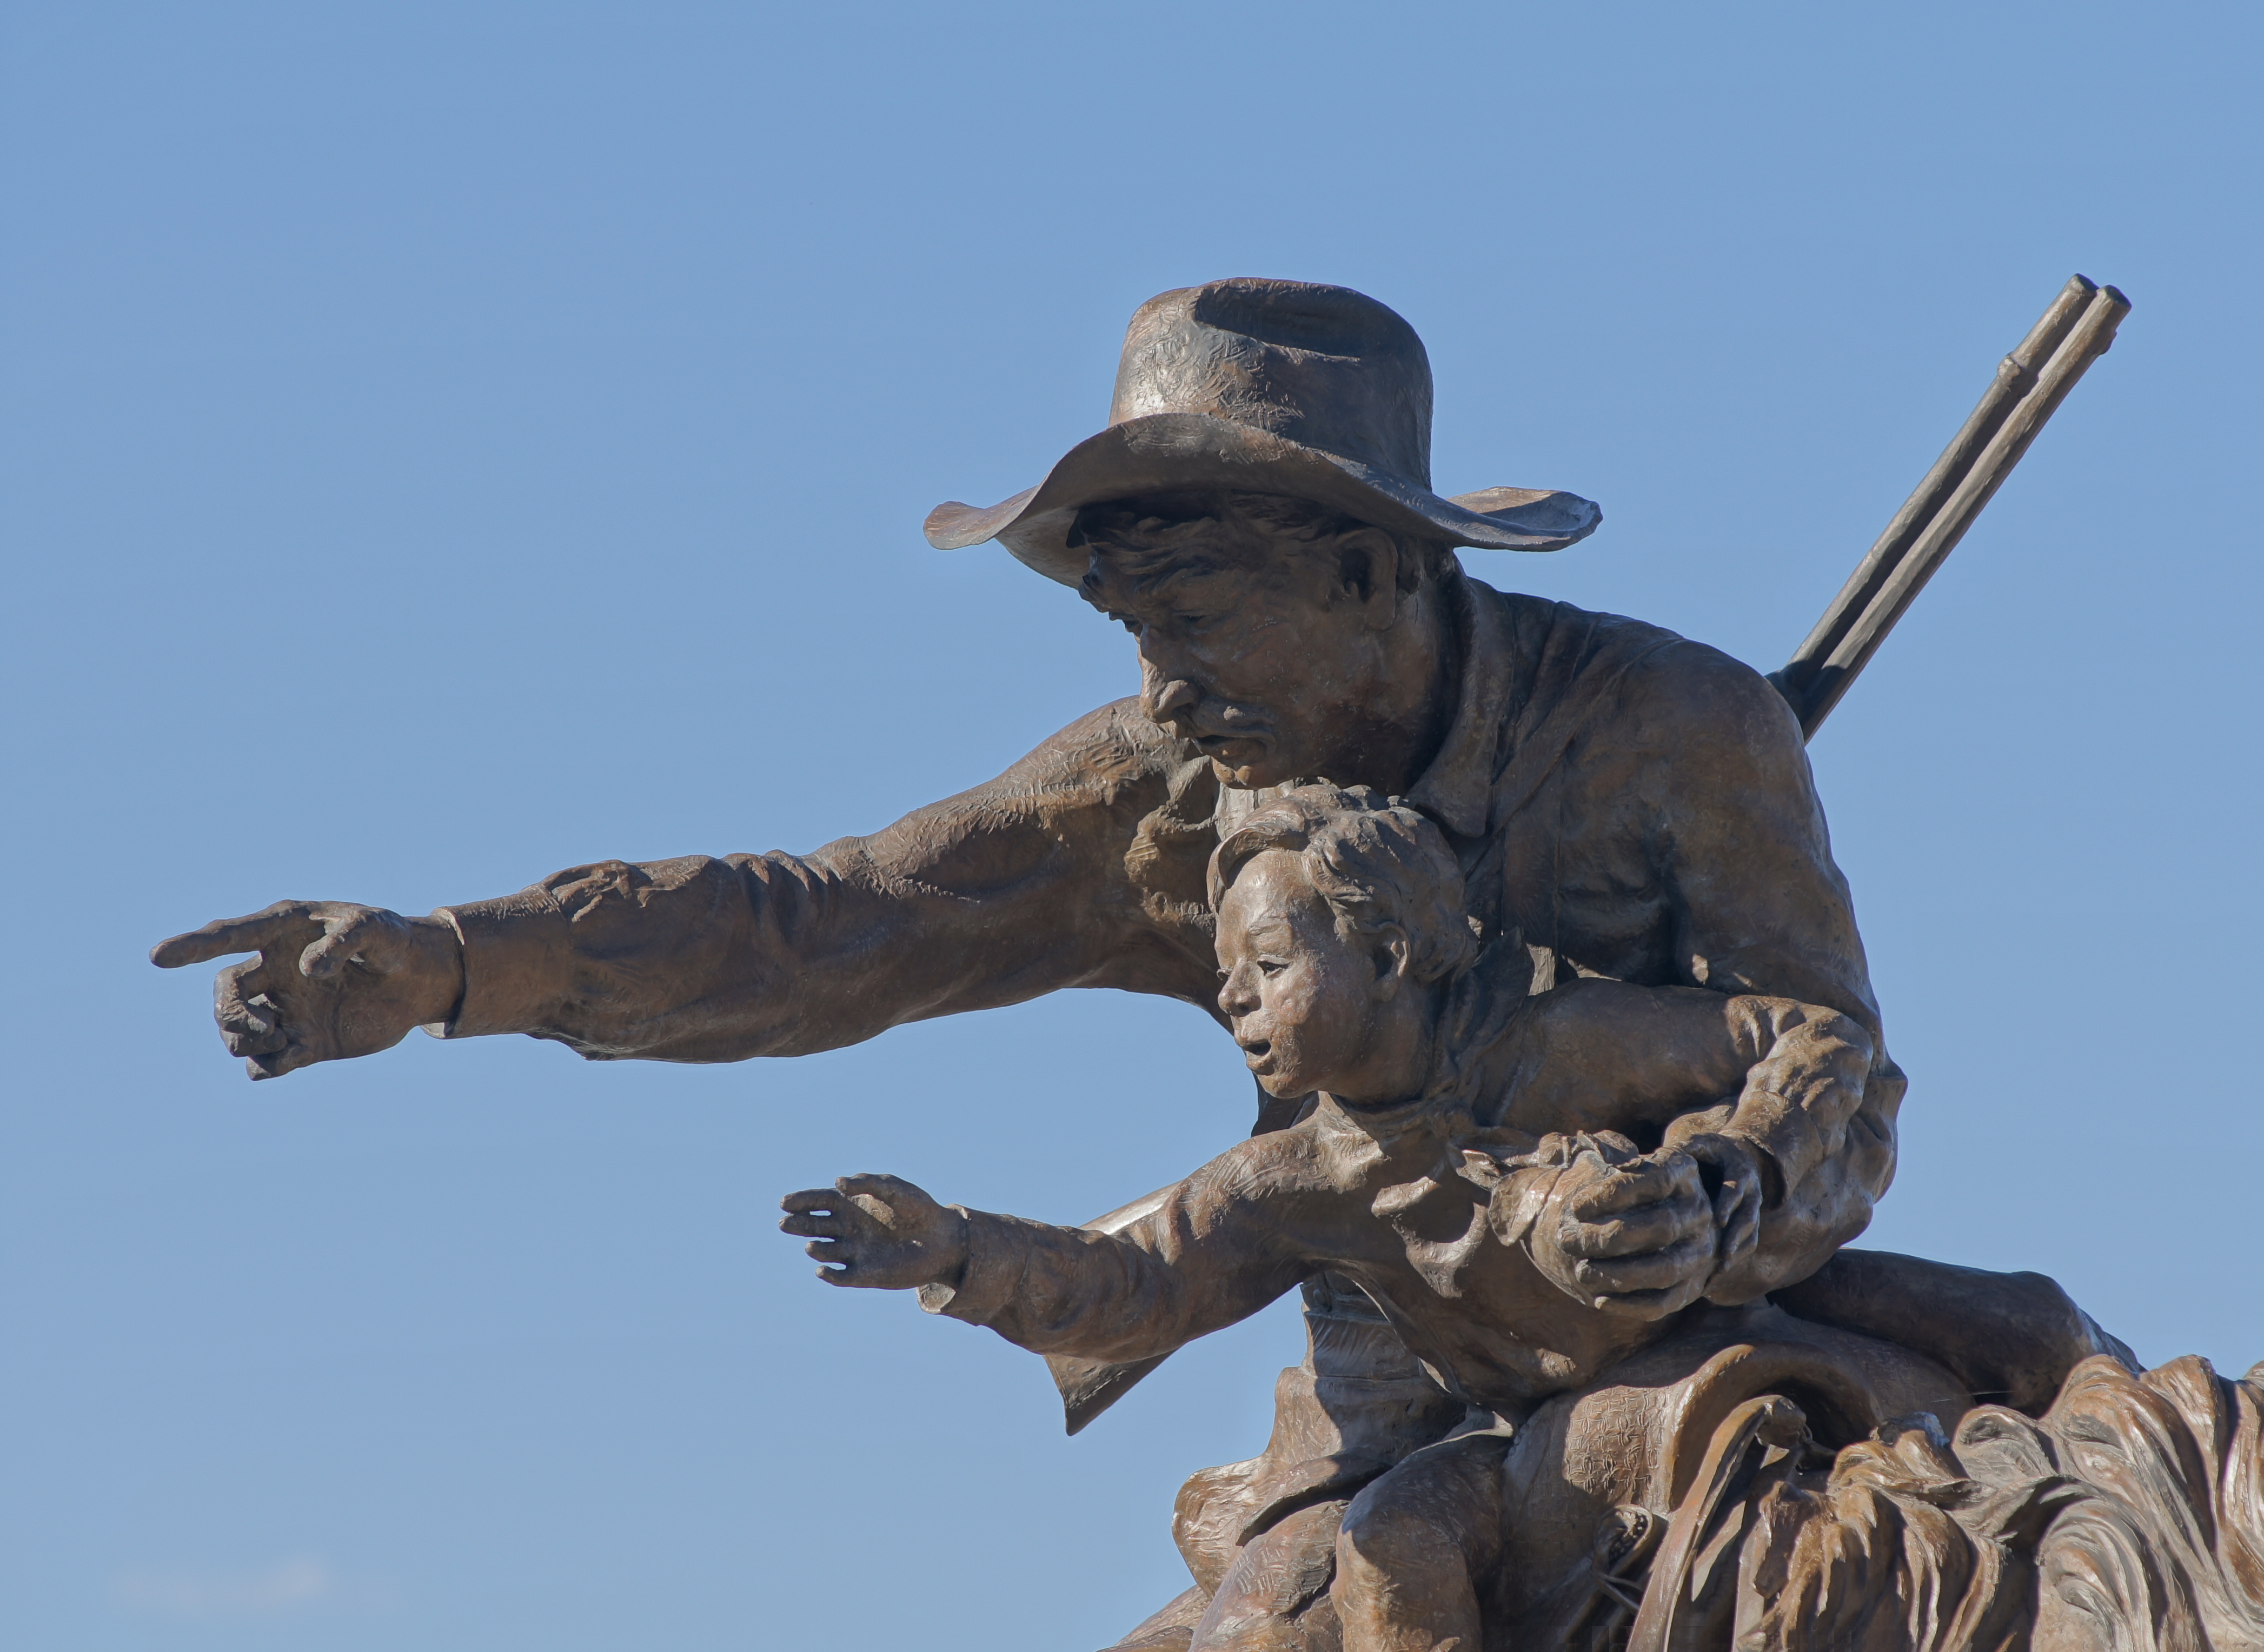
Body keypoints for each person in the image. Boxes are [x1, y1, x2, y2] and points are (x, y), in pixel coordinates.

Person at [152, 277, 1916, 1645]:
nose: (1159, 690)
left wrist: (1720, 1193)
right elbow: (837, 922)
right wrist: (460, 963)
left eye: (1194, 621)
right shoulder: (1168, 792)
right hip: (1389, 1409)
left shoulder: (1679, 731)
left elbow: (1834, 1068)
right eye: (1132, 630)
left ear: (1369, 571)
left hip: (1689, 1346)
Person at [781, 789, 1887, 1652]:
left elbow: (1811, 1035)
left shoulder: (1566, 1041)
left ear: (1390, 955)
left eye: (1268, 967)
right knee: (1393, 1536)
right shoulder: (1297, 1180)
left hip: (1712, 1350)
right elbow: (1140, 1282)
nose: (1235, 999)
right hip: (1518, 1438)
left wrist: (1732, 1166)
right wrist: (961, 1250)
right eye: (1229, 976)